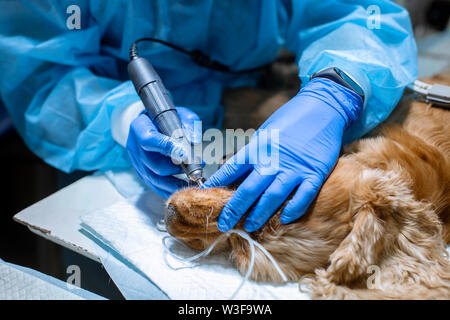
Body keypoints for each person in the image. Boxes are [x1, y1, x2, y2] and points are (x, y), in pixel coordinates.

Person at [0, 1, 417, 232]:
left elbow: (360, 16)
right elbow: (38, 74)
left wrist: (335, 90)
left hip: (251, 110)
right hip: (100, 146)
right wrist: (122, 117)